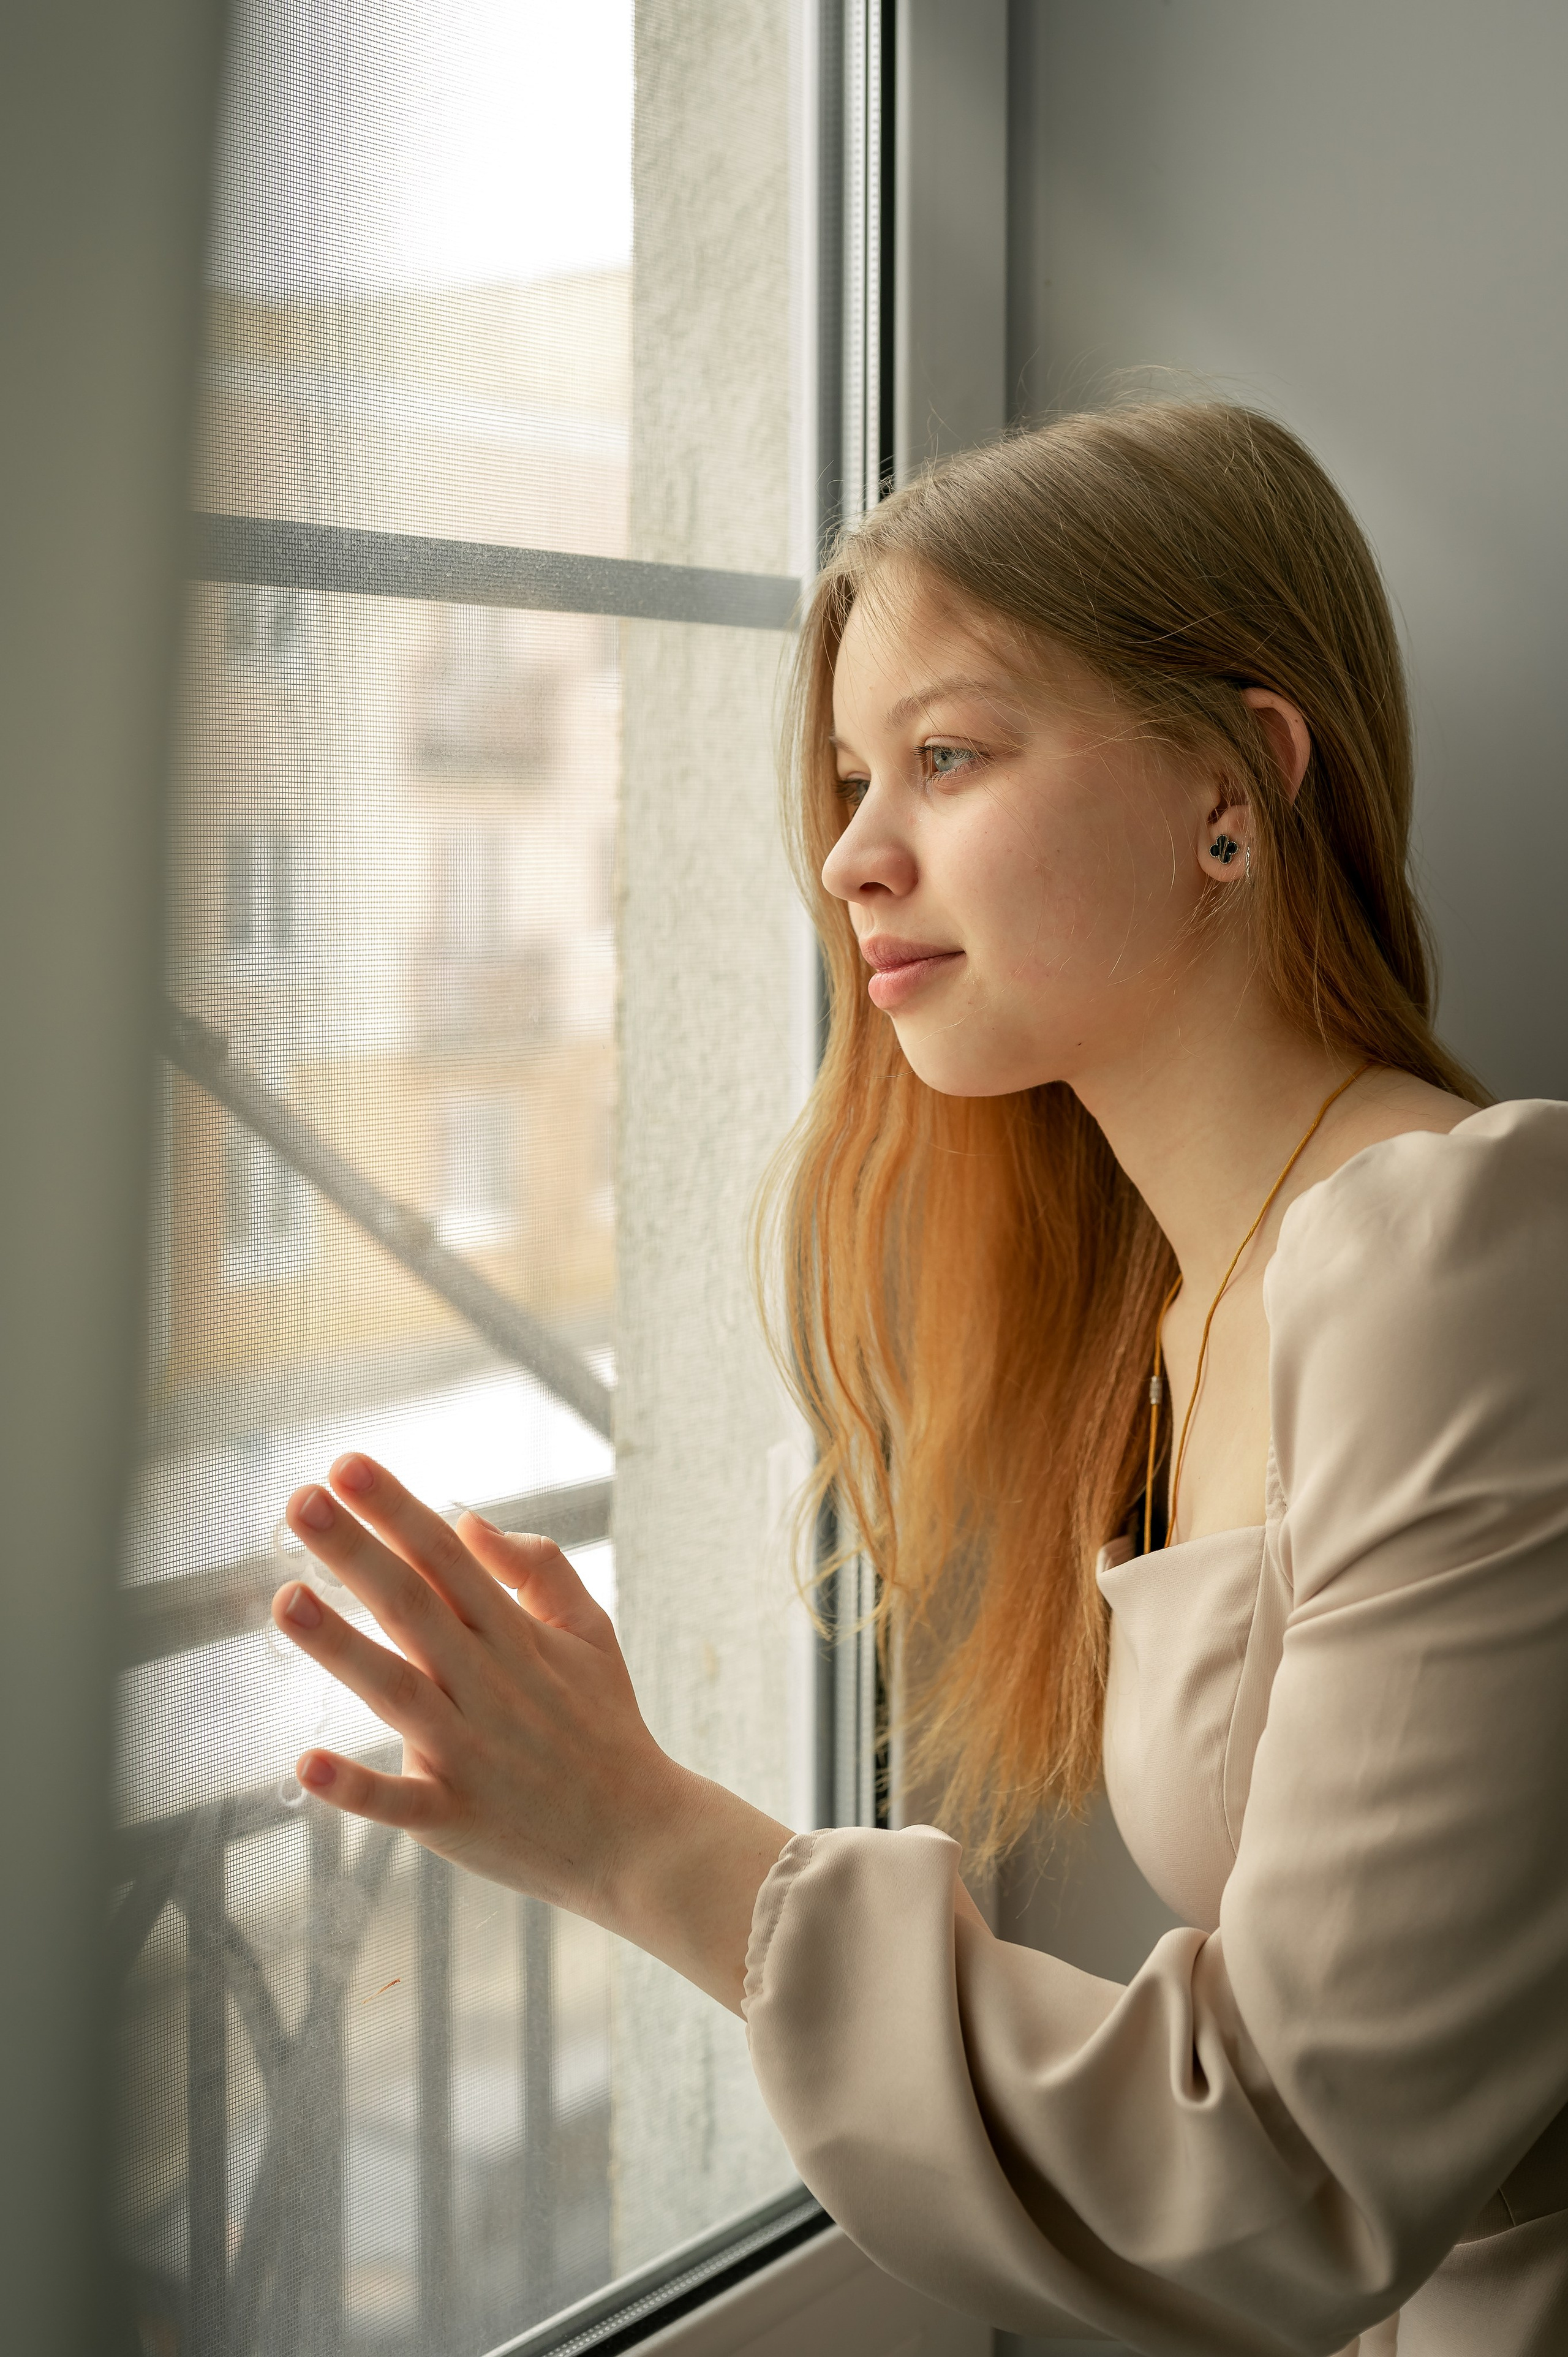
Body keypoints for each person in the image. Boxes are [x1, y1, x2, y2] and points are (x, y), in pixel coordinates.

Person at [269, 402, 1568, 2357]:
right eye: (856, 774)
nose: (851, 855)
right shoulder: (1167, 1323)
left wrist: (647, 1837)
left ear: (1237, 785)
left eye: (947, 757)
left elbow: (1289, 2163)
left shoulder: (1464, 1261)